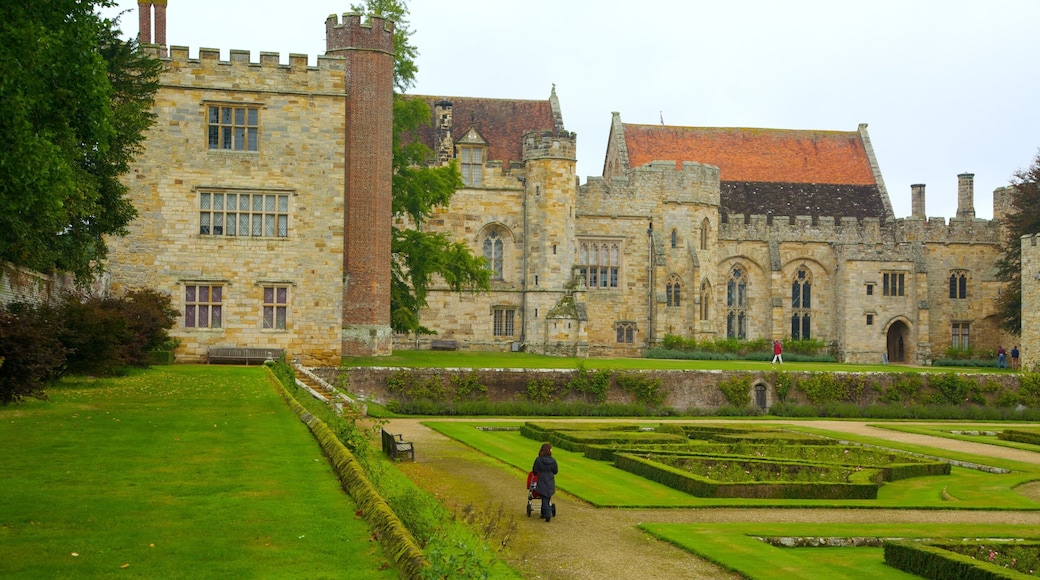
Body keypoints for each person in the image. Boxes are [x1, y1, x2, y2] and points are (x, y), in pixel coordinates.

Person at [532, 443, 558, 522]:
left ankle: (546, 514)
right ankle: (544, 513)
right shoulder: (553, 460)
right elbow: (555, 471)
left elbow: (534, 470)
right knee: (547, 497)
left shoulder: (538, 460)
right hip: (550, 480)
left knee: (544, 498)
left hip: (542, 479)